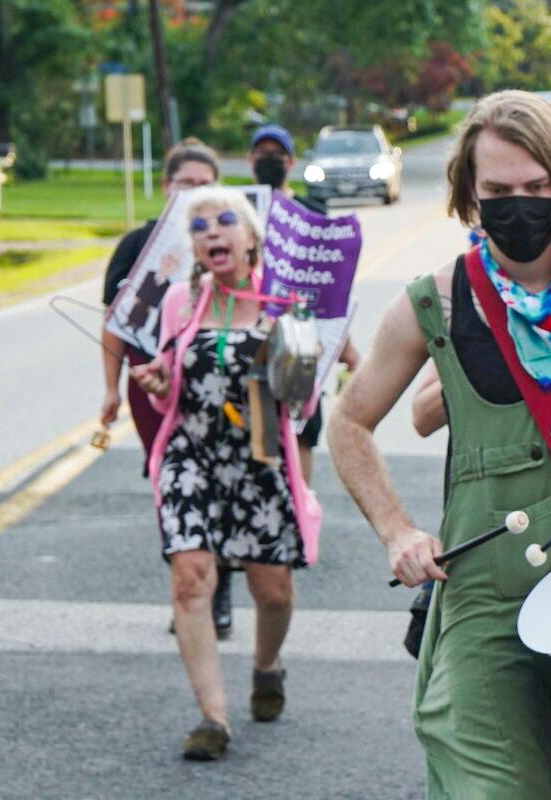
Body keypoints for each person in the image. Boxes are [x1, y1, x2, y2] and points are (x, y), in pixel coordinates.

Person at [327, 90, 551, 798]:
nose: (517, 206)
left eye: (536, 189)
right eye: (497, 191)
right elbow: (348, 422)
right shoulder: (433, 303)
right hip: (481, 604)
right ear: (468, 193)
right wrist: (396, 530)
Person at [130, 186, 322, 760]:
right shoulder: (180, 303)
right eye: (199, 227)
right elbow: (171, 382)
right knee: (190, 575)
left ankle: (267, 666)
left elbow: (305, 404)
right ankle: (213, 718)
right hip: (193, 457)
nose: (212, 232)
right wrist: (160, 383)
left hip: (260, 461)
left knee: (273, 589)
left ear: (251, 237)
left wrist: (300, 382)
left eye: (224, 220)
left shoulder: (284, 304)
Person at [99, 138, 237, 638]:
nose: (194, 193)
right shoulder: (138, 245)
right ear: (166, 186)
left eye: (204, 185)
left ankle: (217, 590)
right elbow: (116, 322)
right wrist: (111, 390)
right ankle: (189, 586)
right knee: (171, 482)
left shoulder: (227, 245)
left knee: (218, 481)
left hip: (216, 386)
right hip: (150, 385)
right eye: (186, 184)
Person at [247, 124, 360, 480]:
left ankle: (300, 516)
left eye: (276, 154)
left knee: (300, 435)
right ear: (250, 161)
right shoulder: (238, 209)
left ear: (291, 161)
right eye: (261, 154)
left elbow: (326, 290)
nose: (269, 160)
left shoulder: (309, 213)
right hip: (249, 341)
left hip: (298, 342)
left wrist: (346, 348)